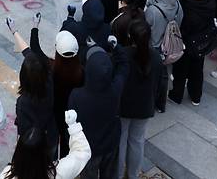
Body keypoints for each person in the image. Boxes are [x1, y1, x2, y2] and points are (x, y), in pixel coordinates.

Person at [68, 36, 129, 179]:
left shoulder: (77, 95)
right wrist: (115, 46)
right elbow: (124, 66)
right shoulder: (115, 89)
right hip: (110, 144)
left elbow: (71, 124)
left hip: (88, 148)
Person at [6, 17, 59, 160]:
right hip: (52, 137)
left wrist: (14, 31)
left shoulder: (23, 102)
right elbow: (28, 52)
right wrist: (19, 30)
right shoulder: (50, 80)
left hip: (33, 147)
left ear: (23, 78)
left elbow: (22, 131)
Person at [117, 18, 162, 179]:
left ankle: (117, 174)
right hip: (144, 106)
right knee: (137, 141)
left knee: (121, 141)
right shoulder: (156, 57)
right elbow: (159, 83)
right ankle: (133, 174)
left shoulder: (122, 54)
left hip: (123, 106)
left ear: (130, 36)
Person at [0, 110, 91, 179]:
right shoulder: (59, 172)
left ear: (19, 151)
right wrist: (73, 126)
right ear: (45, 151)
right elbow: (82, 153)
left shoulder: (6, 175)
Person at [168, 0, 217, 106]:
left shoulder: (189, 7)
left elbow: (183, 27)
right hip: (202, 44)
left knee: (180, 71)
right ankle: (196, 96)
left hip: (187, 43)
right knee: (197, 71)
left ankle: (176, 95)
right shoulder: (210, 2)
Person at [145, 0, 183, 113]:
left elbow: (146, 27)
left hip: (154, 48)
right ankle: (161, 104)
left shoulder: (153, 11)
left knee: (152, 78)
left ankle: (151, 103)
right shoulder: (178, 6)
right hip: (169, 48)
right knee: (164, 76)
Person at [51, 30, 83, 158]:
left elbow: (35, 53)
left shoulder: (52, 71)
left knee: (53, 143)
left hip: (55, 115)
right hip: (72, 115)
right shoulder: (82, 72)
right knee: (66, 142)